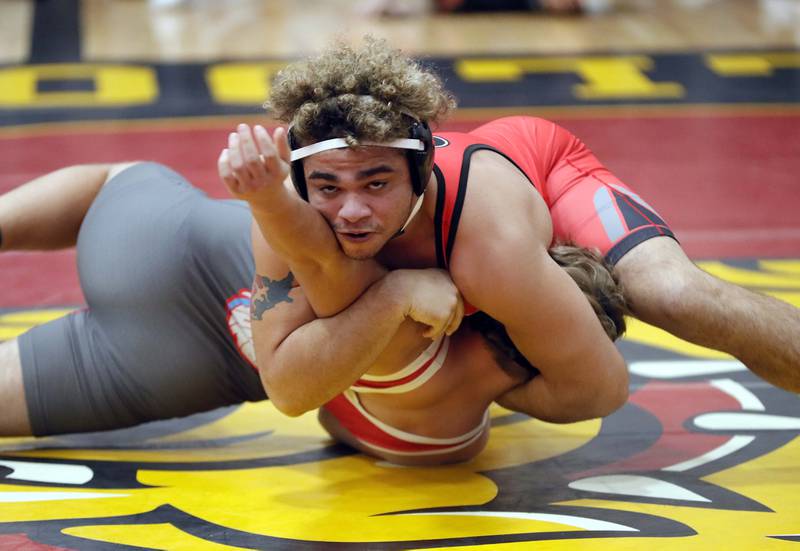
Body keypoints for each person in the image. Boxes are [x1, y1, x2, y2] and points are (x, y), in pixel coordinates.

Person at [219, 35, 800, 430]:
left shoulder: (485, 240)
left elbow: (598, 390)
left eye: (376, 185)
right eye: (328, 188)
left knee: (671, 294)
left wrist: (473, 380)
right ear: (302, 181)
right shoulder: (283, 209)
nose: (350, 212)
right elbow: (290, 393)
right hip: (479, 229)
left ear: (419, 173)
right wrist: (396, 299)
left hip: (544, 174)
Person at [0, 159, 625, 459]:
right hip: (161, 370)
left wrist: (270, 196)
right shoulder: (445, 429)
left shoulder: (414, 299)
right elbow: (331, 421)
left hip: (162, 235)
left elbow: (316, 255)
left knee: (117, 178)